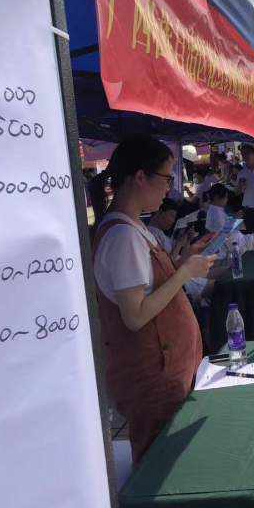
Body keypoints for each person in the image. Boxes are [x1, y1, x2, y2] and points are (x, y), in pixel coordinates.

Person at [88, 135, 216, 463]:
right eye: (166, 179)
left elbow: (149, 283)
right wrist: (184, 273)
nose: (169, 189)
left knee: (169, 460)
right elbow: (135, 315)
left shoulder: (132, 228)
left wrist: (183, 259)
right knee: (160, 464)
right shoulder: (123, 236)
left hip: (165, 369)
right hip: (153, 374)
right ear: (140, 177)